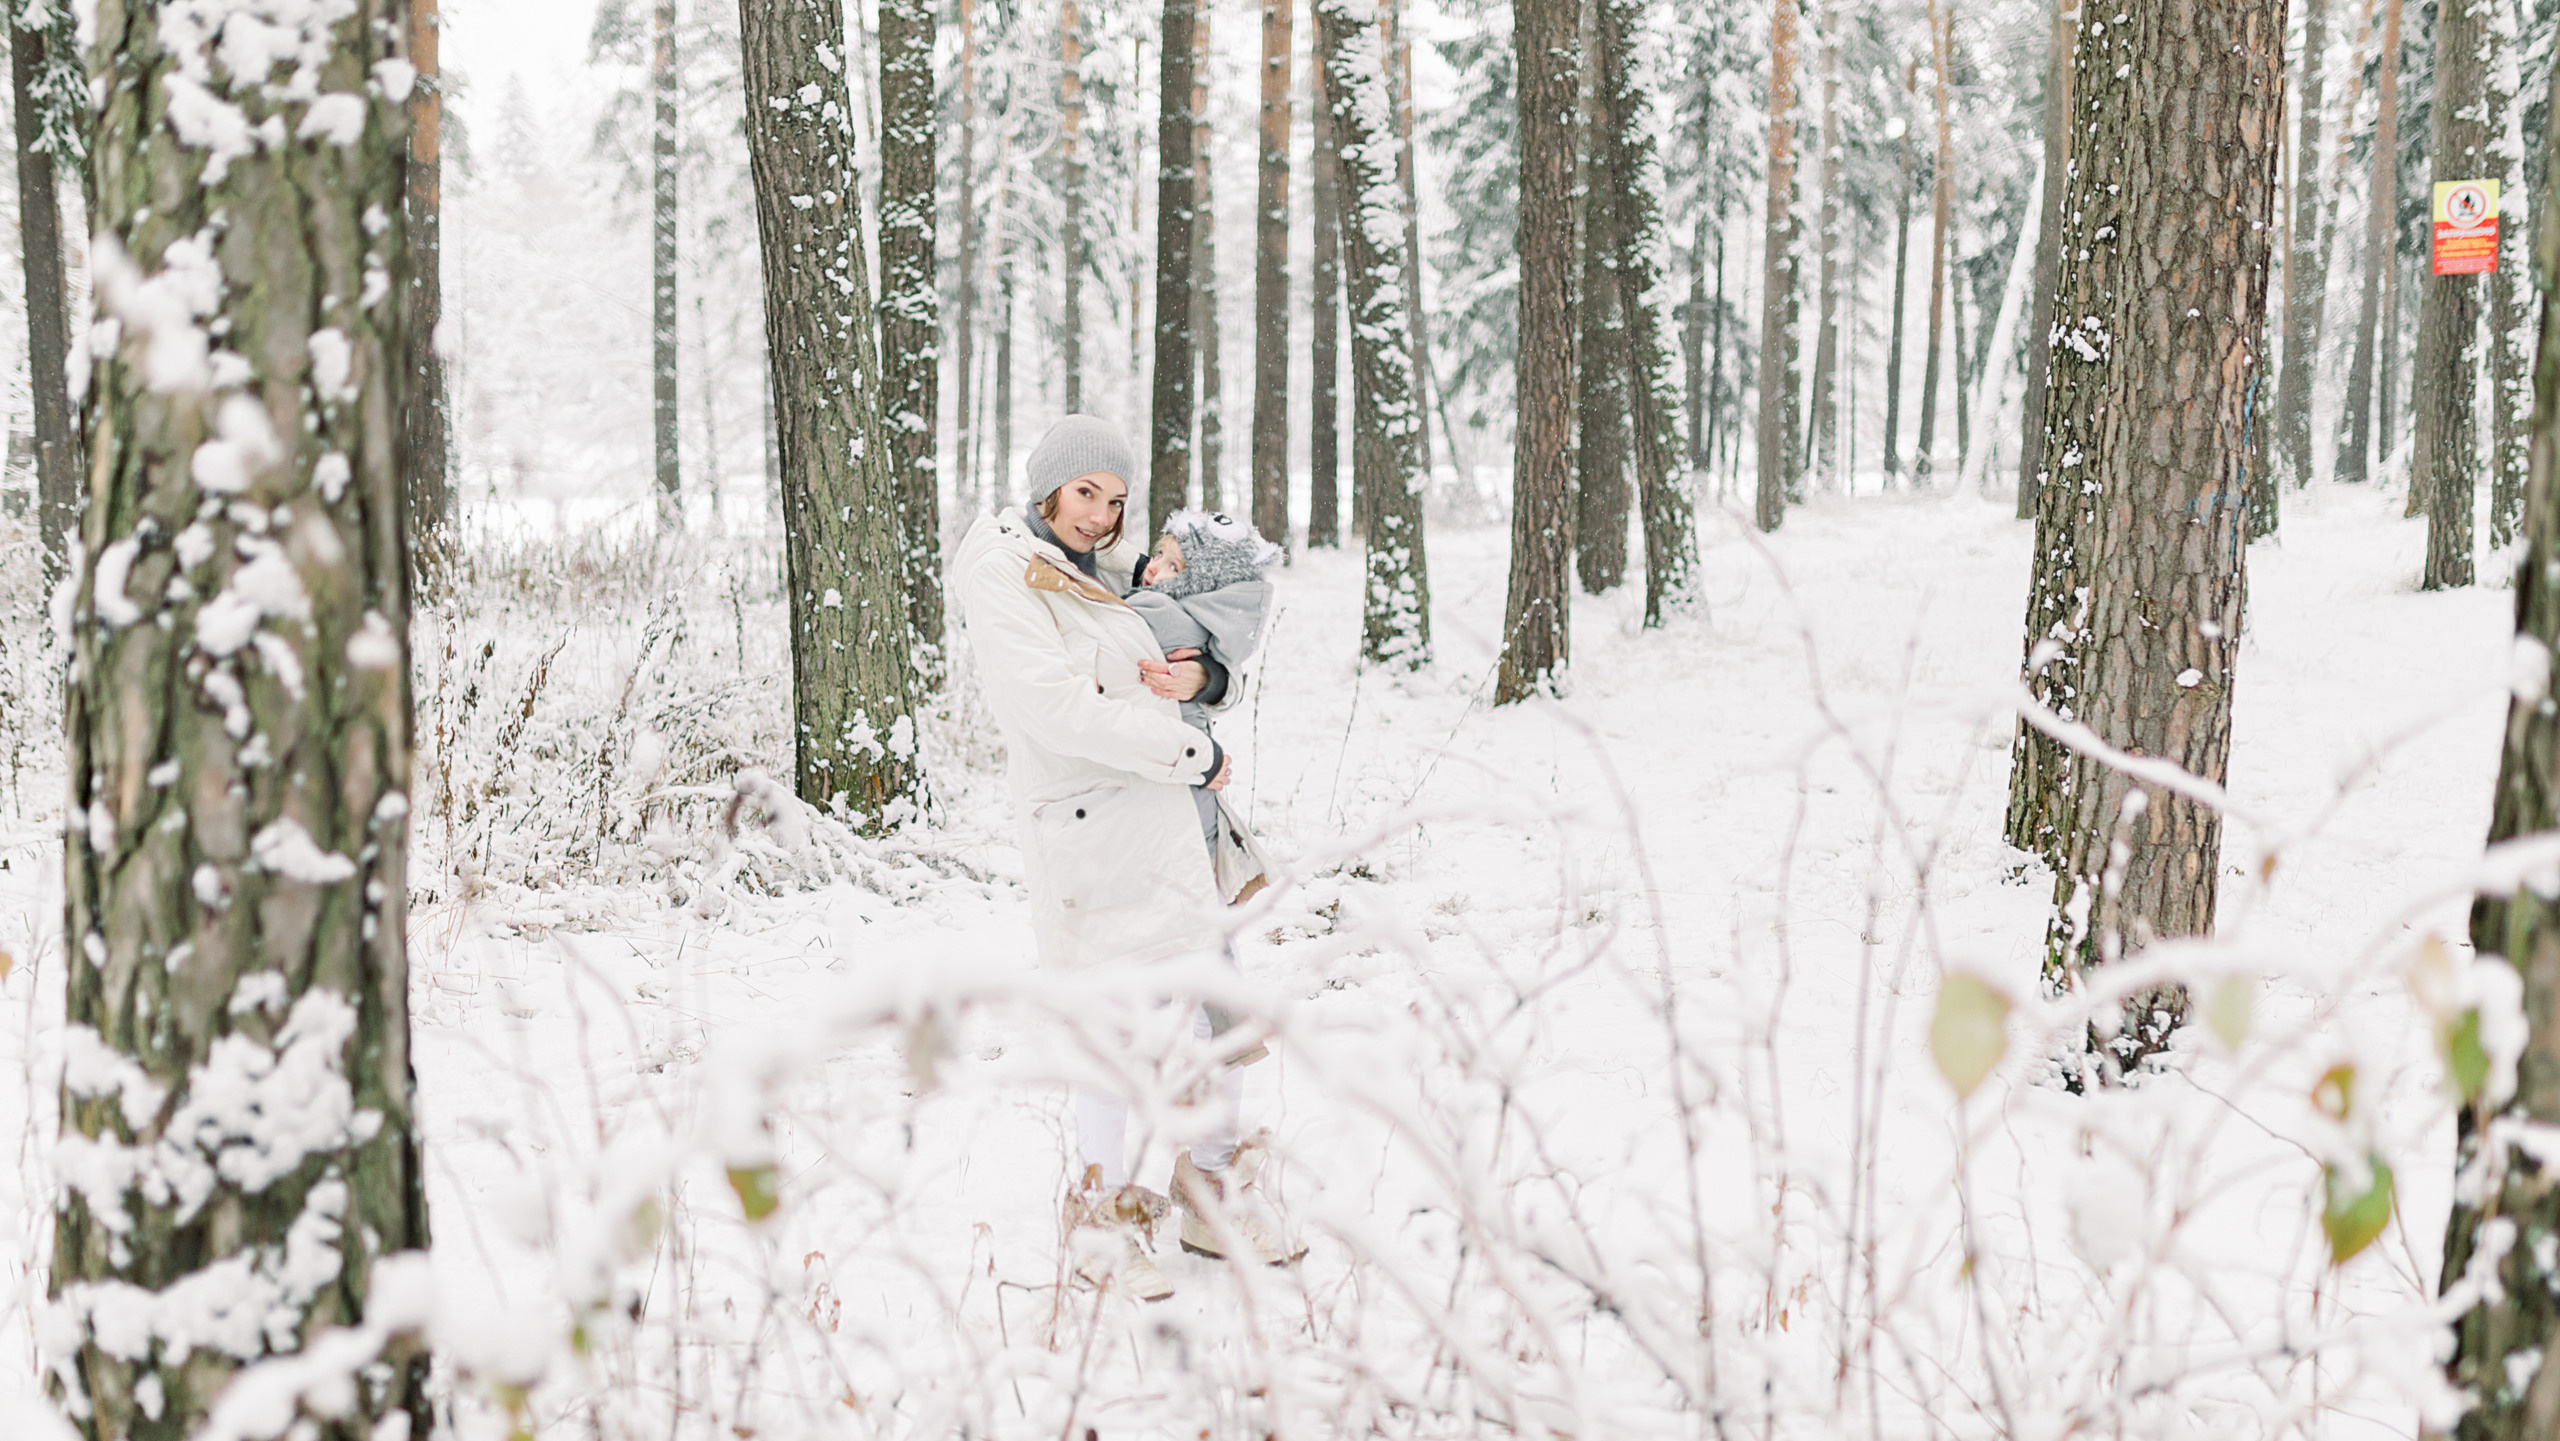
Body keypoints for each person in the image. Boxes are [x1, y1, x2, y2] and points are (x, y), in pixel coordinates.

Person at [948, 414, 1294, 1301]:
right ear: (1047, 489)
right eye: (1085, 495)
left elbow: (1177, 643)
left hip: (1177, 830)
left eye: (1115, 499)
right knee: (1116, 1034)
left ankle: (1210, 1191)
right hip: (1095, 832)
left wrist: (1208, 683)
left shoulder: (1101, 566)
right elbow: (1056, 710)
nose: (1102, 515)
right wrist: (1194, 753)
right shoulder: (1006, 574)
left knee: (1223, 1019)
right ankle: (1099, 1221)